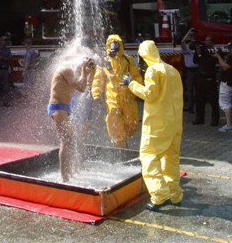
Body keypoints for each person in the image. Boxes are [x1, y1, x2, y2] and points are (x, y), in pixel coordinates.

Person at [124, 40, 184, 211]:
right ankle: (175, 194)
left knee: (149, 156)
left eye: (141, 57)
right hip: (175, 123)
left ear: (144, 56)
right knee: (171, 158)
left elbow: (149, 94)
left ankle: (159, 195)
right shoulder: (172, 70)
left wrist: (131, 83)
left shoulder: (153, 70)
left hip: (158, 123)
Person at [48, 56, 97, 182]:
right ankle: (64, 178)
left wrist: (89, 73)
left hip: (64, 107)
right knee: (66, 141)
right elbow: (79, 87)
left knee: (71, 140)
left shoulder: (70, 70)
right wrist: (84, 71)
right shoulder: (66, 68)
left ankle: (70, 172)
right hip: (57, 107)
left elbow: (84, 87)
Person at [91, 34, 141, 148]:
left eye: (116, 45)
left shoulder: (127, 60)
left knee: (132, 121)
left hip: (128, 98)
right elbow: (98, 79)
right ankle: (120, 148)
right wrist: (96, 94)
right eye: (111, 45)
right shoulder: (104, 62)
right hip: (112, 99)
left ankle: (123, 141)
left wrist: (136, 89)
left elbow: (136, 76)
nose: (114, 48)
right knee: (114, 124)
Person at [192, 35, 220, 126]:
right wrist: (198, 53)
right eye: (205, 40)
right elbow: (195, 61)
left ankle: (215, 119)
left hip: (210, 77)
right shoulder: (201, 51)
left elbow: (211, 62)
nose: (206, 42)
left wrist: (203, 54)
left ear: (212, 42)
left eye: (208, 41)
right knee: (199, 99)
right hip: (200, 77)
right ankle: (199, 118)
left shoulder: (214, 51)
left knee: (213, 99)